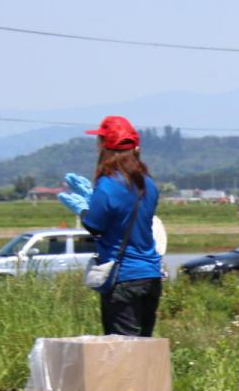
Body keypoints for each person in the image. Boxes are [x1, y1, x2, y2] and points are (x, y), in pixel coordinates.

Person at [58, 116, 163, 337]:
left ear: (104, 147)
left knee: (123, 353)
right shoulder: (149, 184)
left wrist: (83, 209)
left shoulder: (107, 184)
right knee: (145, 347)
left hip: (123, 277)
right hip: (151, 275)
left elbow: (95, 227)